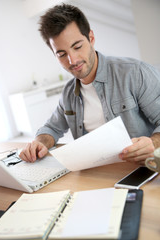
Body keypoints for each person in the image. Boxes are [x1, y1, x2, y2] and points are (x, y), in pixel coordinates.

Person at [19, 3, 160, 165]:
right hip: (96, 173)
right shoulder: (69, 94)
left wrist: (153, 143)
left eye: (77, 46)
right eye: (62, 54)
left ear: (91, 38)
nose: (73, 60)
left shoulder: (135, 73)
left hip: (140, 170)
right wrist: (40, 142)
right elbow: (52, 128)